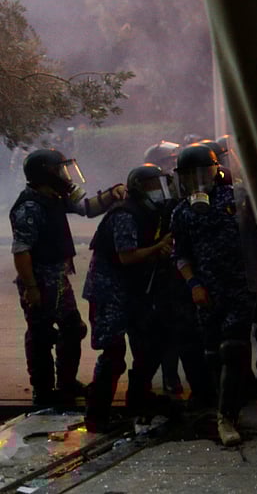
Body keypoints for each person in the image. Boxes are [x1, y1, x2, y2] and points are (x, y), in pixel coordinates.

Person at [10, 149, 125, 407]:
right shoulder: (30, 206)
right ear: (45, 174)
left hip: (58, 280)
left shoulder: (53, 198)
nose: (65, 175)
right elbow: (21, 251)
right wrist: (31, 287)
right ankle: (43, 391)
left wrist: (112, 193)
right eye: (59, 170)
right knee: (40, 335)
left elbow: (87, 208)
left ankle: (66, 384)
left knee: (73, 329)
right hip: (40, 282)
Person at [171, 143, 254, 446]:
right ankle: (225, 404)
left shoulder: (236, 199)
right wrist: (194, 285)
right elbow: (180, 255)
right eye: (191, 176)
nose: (199, 181)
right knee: (213, 353)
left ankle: (226, 417)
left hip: (238, 287)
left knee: (234, 347)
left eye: (203, 173)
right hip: (207, 292)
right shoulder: (181, 212)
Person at [83, 164, 177, 431]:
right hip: (109, 291)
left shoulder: (152, 212)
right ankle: (97, 415)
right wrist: (158, 248)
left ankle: (139, 398)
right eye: (152, 186)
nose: (158, 192)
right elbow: (127, 256)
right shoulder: (125, 213)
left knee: (148, 344)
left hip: (133, 291)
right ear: (139, 188)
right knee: (113, 354)